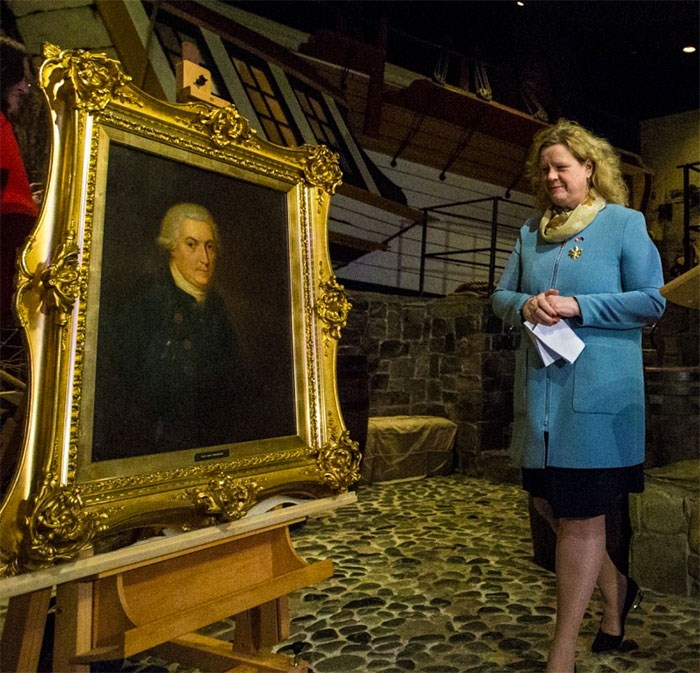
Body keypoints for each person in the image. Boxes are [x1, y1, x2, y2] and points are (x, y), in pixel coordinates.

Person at [491, 119, 665, 673]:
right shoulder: (528, 231)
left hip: (598, 401)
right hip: (540, 403)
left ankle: (560, 654)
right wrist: (523, 305)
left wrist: (577, 307)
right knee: (550, 506)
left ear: (590, 169)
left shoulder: (624, 224)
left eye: (562, 166)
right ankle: (618, 599)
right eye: (545, 168)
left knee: (582, 519)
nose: (552, 176)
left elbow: (652, 302)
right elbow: (499, 294)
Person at [92, 203, 248, 460]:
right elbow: (132, 390)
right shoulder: (148, 304)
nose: (205, 259)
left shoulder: (216, 307)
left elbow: (232, 382)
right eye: (191, 244)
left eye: (209, 246)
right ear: (171, 247)